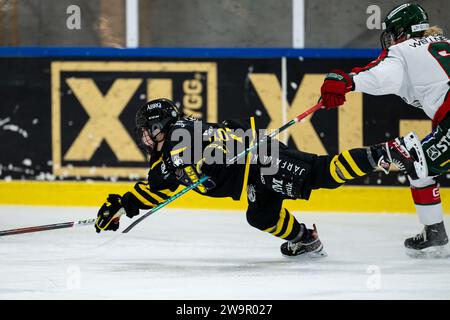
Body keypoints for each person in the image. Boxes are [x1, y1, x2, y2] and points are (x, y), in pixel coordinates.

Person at [95, 98, 426, 258]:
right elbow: (154, 188)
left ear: (157, 126)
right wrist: (121, 207)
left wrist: (204, 162)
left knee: (318, 174)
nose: (143, 137)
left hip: (262, 159)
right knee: (261, 215)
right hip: (253, 180)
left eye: (145, 130)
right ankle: (305, 238)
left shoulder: (184, 130)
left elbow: (216, 137)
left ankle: (384, 152)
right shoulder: (165, 159)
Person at [319, 3, 449, 257]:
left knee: (414, 159)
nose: (391, 39)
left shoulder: (402, 50)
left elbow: (381, 76)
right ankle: (433, 231)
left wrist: (348, 82)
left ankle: (434, 231)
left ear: (404, 31)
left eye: (393, 32)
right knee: (419, 159)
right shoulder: (442, 42)